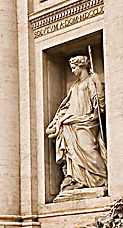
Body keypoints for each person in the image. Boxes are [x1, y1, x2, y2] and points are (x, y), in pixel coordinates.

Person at [45, 54, 108, 193]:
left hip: (87, 120)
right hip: (71, 122)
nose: (73, 70)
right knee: (72, 153)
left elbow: (99, 97)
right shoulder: (75, 85)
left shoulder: (92, 78)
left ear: (82, 66)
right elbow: (66, 105)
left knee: (89, 148)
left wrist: (100, 98)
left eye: (74, 67)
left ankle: (101, 177)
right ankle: (78, 179)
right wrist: (57, 122)